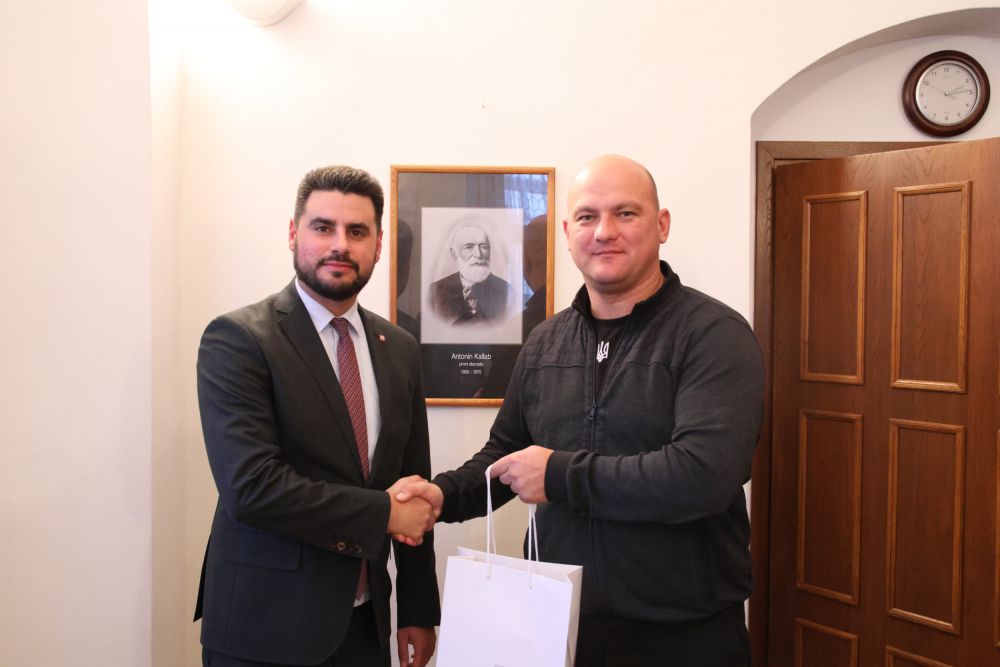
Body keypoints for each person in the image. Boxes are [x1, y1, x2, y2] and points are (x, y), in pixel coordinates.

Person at [396, 155, 764, 666]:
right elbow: (507, 453)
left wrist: (559, 475)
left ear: (662, 225)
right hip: (555, 625)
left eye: (626, 213)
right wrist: (443, 496)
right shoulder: (545, 341)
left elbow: (703, 476)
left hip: (683, 635)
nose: (604, 232)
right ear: (569, 234)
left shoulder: (713, 335)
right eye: (588, 217)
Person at [194, 165, 440, 667]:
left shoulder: (400, 349)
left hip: (365, 625)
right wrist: (384, 514)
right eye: (323, 227)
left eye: (358, 231)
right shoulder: (239, 339)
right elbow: (252, 487)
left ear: (378, 245)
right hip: (263, 628)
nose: (340, 245)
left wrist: (417, 608)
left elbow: (411, 485)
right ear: (293, 233)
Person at [428, 221, 512, 324]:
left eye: (484, 247)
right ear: (454, 253)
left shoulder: (507, 291)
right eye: (469, 247)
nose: (478, 254)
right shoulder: (436, 291)